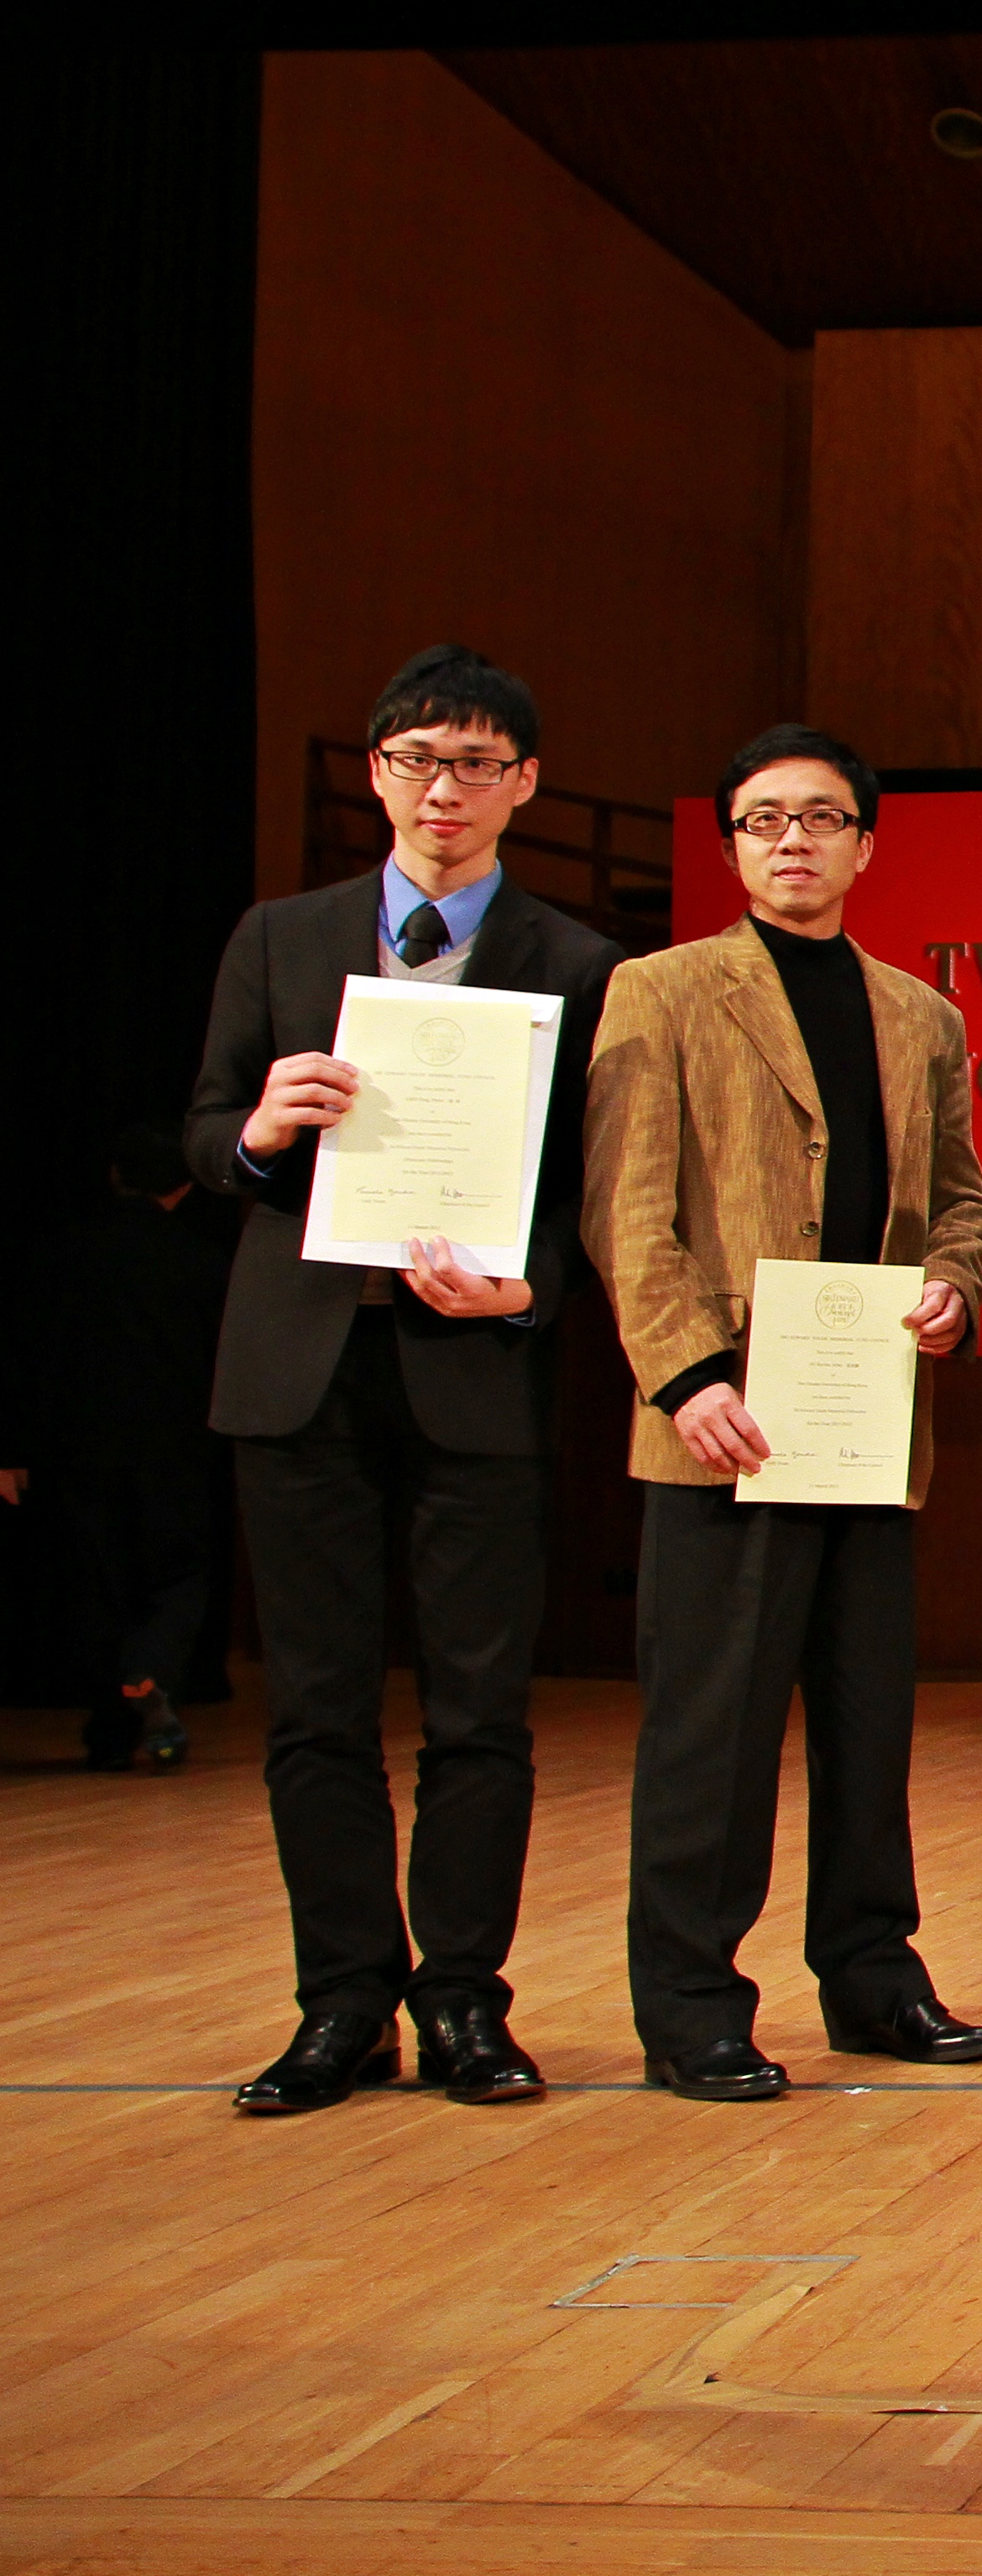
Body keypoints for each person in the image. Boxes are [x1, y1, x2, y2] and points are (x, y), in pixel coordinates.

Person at [182, 646, 623, 2115]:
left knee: (480, 1710)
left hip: (473, 1374)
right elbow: (204, 1138)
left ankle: (464, 2003)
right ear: (377, 771)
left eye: (481, 765)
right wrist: (259, 1129)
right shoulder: (281, 936)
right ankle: (339, 2005)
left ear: (525, 786)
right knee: (314, 1706)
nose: (449, 790)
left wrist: (532, 1285)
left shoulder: (575, 964)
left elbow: (589, 1191)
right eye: (422, 759)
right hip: (299, 1370)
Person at [582, 725, 982, 2099]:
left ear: (866, 843)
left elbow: (958, 1198)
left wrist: (951, 1287)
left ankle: (874, 1979)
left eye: (821, 819)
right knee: (712, 1733)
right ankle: (693, 2003)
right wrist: (688, 1374)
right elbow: (628, 1207)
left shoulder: (919, 1013)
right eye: (764, 822)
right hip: (726, 1425)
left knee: (869, 1722)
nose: (794, 842)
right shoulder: (661, 990)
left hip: (866, 1419)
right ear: (732, 847)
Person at [7, 1121, 238, 1771]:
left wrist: (12, 1448)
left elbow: (26, 1357)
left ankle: (109, 1732)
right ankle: (151, 1669)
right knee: (179, 1572)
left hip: (79, 1446)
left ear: (115, 1176)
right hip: (178, 1445)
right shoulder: (202, 1262)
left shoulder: (61, 1255)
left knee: (96, 1581)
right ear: (189, 1185)